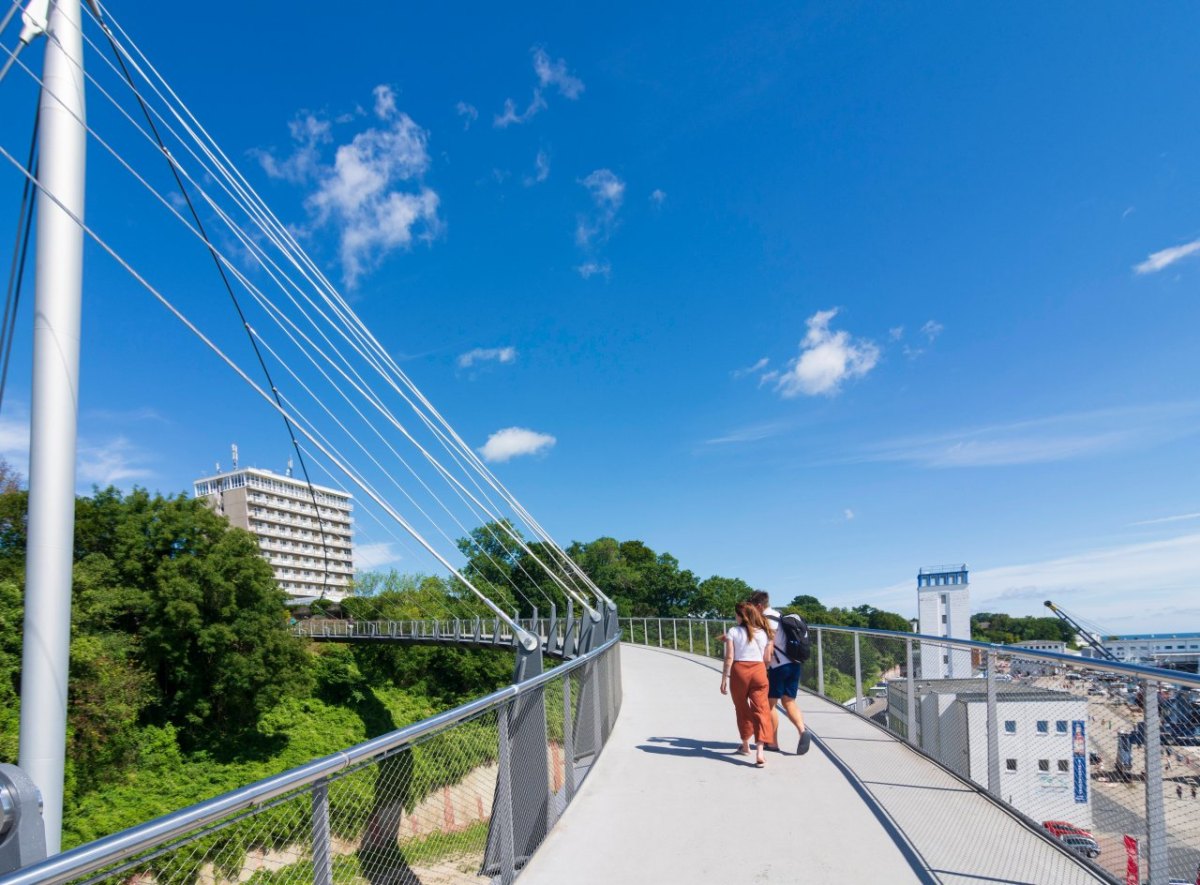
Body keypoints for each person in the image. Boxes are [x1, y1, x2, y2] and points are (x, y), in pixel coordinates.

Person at [750, 590, 811, 755]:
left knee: (770, 704)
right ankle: (802, 730)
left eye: (753, 608)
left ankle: (772, 742)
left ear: (759, 606)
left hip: (778, 668)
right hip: (794, 664)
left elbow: (769, 647)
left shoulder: (766, 621)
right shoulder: (780, 616)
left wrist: (762, 668)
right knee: (789, 701)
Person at [720, 601, 776, 767]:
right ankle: (760, 752)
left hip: (739, 671)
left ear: (740, 616)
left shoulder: (733, 631)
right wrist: (761, 670)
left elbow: (729, 657)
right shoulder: (763, 633)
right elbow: (767, 659)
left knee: (741, 707)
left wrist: (724, 677)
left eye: (736, 614)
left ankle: (745, 746)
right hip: (759, 671)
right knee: (761, 709)